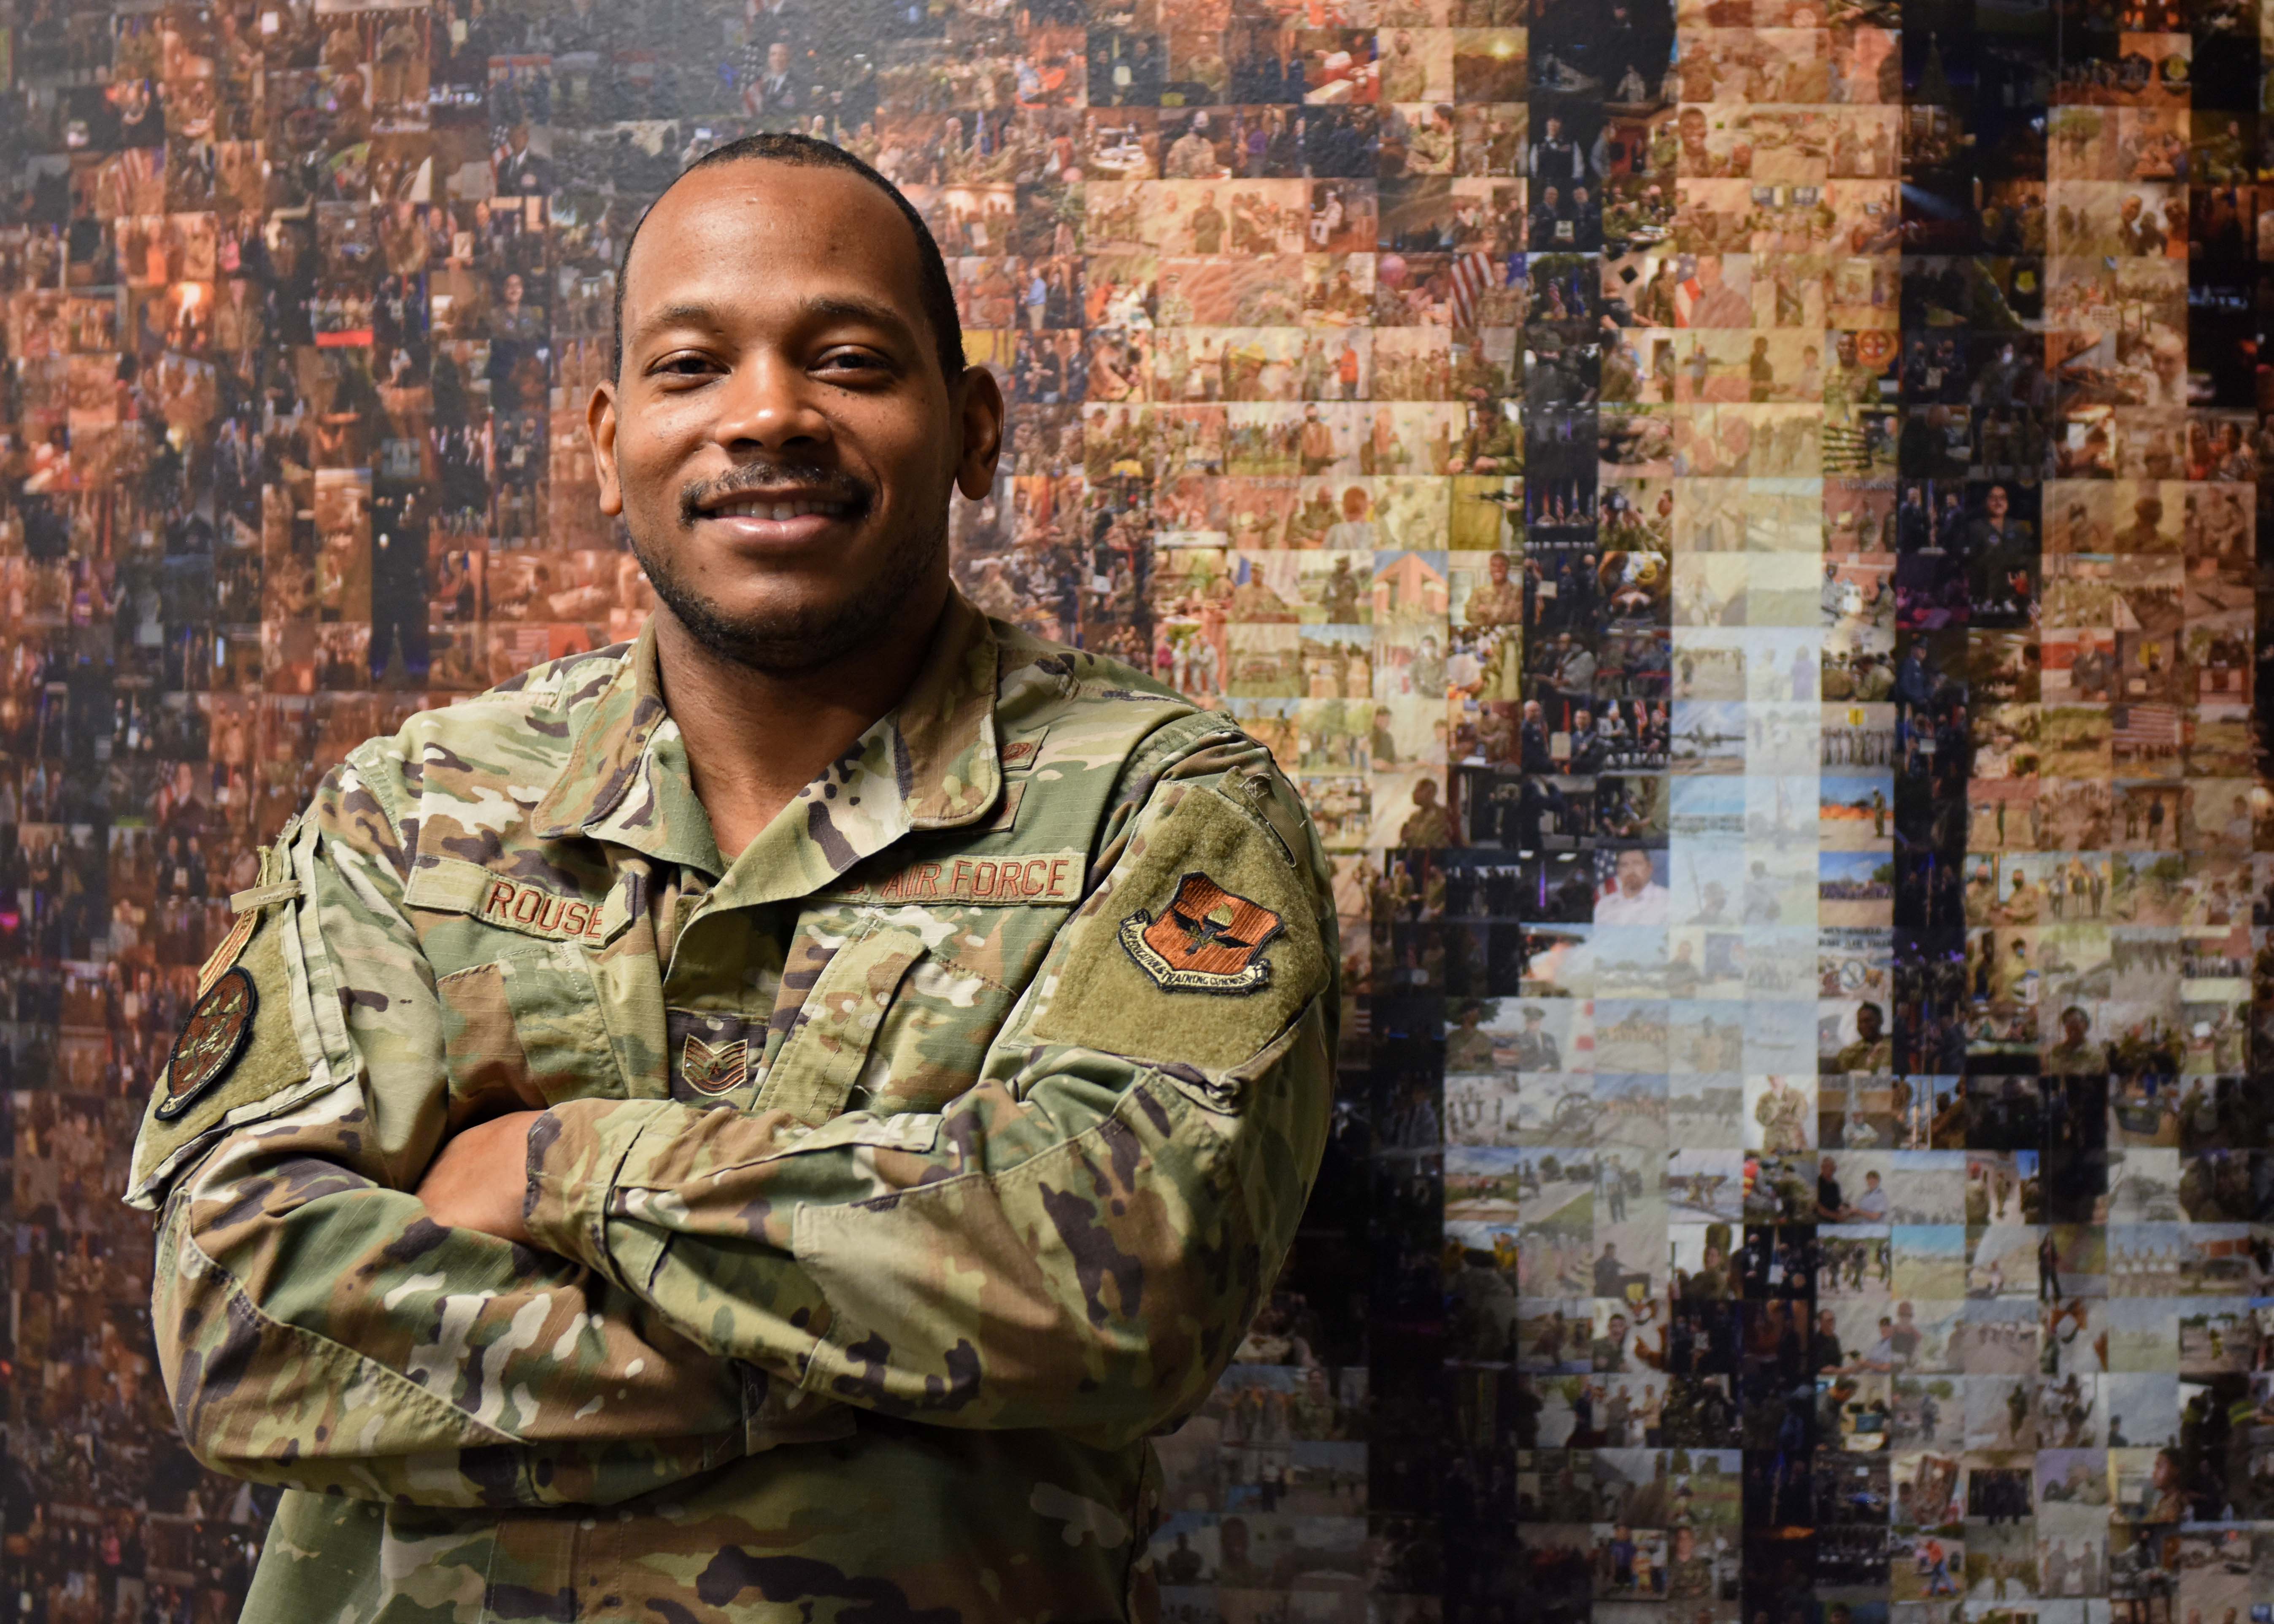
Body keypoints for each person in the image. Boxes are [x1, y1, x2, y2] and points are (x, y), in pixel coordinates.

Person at [128, 134, 1337, 1621]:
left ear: (970, 430)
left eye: (847, 360)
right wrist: (862, 1375)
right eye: (693, 367)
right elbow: (240, 1329)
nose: (769, 414)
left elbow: (1127, 1278)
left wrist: (562, 1170)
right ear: (603, 441)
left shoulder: (1159, 812)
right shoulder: (413, 813)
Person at [1596, 846, 1670, 925]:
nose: (1631, 870)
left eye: (1637, 863)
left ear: (1649, 868)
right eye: (1624, 865)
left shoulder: (1667, 900)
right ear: (1618, 871)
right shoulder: (1604, 905)